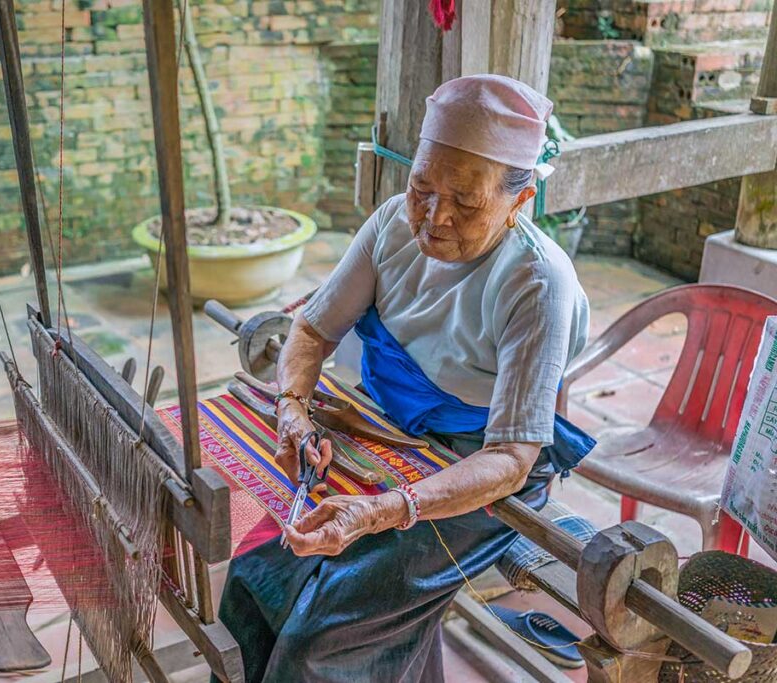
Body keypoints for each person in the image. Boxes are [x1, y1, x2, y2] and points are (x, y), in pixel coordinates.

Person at [213, 74, 597, 683]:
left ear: (517, 201)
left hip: (477, 470)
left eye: (466, 202)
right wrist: (292, 410)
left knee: (323, 639)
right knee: (255, 574)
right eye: (422, 187)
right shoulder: (394, 224)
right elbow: (310, 332)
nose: (434, 216)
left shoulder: (537, 284)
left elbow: (512, 459)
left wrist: (386, 509)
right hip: (383, 426)